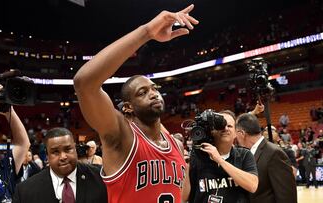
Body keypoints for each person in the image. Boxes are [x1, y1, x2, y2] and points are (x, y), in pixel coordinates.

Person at [73, 4, 199, 203]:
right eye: (143, 92)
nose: (153, 94)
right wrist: (147, 32)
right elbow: (84, 83)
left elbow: (182, 195)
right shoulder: (121, 135)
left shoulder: (175, 143)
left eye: (155, 89)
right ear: (128, 107)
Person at [13, 127, 107, 203]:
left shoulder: (101, 178)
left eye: (68, 149)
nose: (63, 157)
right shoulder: (25, 192)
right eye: (55, 152)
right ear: (47, 156)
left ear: (75, 149)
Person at [183, 110, 258, 203]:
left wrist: (220, 160)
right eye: (221, 125)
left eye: (229, 126)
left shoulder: (244, 155)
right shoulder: (197, 156)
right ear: (212, 131)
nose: (225, 128)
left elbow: (252, 186)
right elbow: (183, 198)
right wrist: (186, 168)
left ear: (235, 133)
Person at [235, 113, 297, 203]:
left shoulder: (275, 153)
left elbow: (286, 195)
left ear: (242, 133)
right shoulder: (247, 152)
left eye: (236, 133)